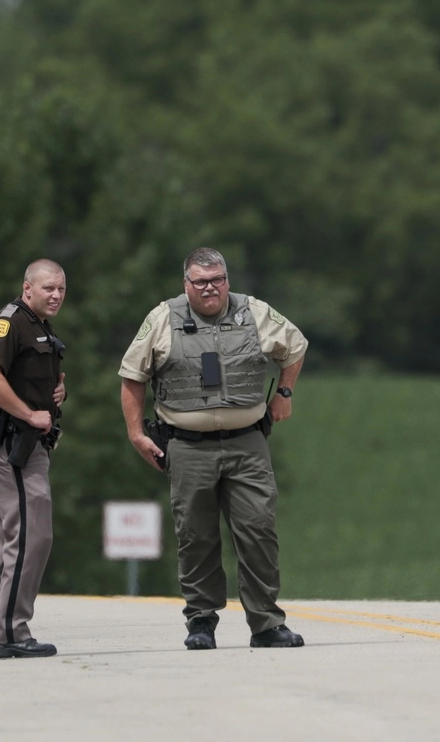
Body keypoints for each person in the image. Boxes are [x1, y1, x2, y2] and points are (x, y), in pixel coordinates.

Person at [119, 248, 307, 650]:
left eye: (218, 279)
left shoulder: (253, 312)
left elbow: (295, 345)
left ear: (228, 280)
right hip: (188, 447)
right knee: (196, 534)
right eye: (200, 281)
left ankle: (267, 624)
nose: (210, 288)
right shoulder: (162, 318)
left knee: (258, 529)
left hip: (248, 441)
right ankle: (201, 621)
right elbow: (132, 376)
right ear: (185, 284)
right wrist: (136, 433)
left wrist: (285, 393)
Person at [0, 259, 68, 659]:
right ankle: (12, 632)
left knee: (11, 539)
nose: (56, 295)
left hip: (30, 445)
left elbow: (27, 375)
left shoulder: (39, 325)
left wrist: (55, 394)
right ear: (27, 287)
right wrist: (29, 414)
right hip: (12, 446)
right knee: (31, 536)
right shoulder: (10, 321)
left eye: (61, 289)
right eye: (48, 288)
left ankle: (3, 631)